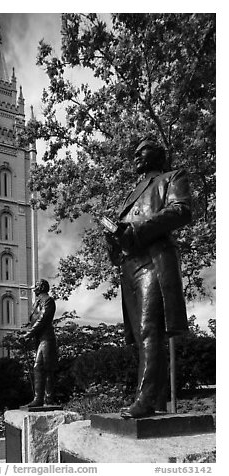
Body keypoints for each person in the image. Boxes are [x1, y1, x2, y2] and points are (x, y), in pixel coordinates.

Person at [105, 137, 192, 418]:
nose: (135, 156)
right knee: (141, 336)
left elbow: (181, 210)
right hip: (129, 266)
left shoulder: (172, 177)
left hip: (153, 261)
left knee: (149, 330)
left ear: (157, 154)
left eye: (141, 151)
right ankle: (154, 399)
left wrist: (135, 230)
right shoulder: (133, 193)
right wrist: (113, 238)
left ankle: (145, 399)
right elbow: (124, 234)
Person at [21, 279, 58, 407]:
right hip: (39, 339)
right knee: (42, 368)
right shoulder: (37, 302)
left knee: (42, 367)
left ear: (42, 287)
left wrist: (28, 334)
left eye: (36, 286)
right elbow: (34, 320)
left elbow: (42, 320)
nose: (34, 288)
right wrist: (28, 332)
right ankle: (44, 399)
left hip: (46, 339)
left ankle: (44, 399)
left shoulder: (48, 301)